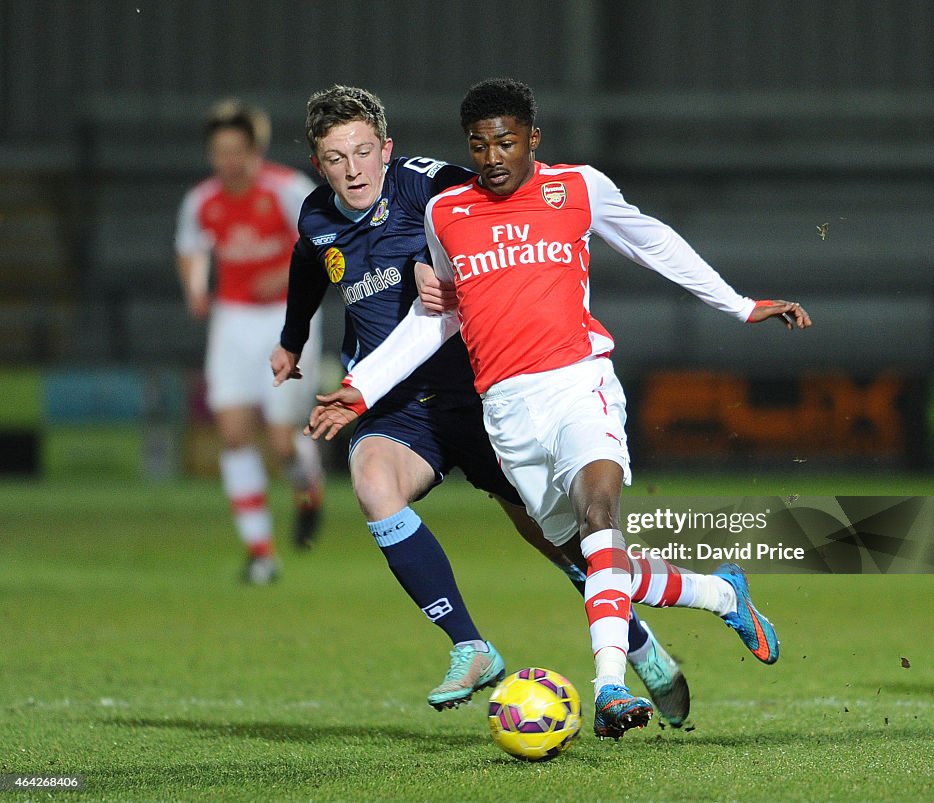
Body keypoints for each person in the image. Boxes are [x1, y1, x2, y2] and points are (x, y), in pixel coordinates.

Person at [308, 78, 813, 739]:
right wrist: (364, 386)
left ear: (532, 140)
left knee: (600, 513)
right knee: (596, 559)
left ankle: (609, 687)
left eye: (506, 142)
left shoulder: (576, 188)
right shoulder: (447, 215)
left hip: (580, 384)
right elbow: (443, 317)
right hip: (508, 413)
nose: (492, 157)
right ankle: (723, 593)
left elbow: (653, 241)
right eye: (480, 145)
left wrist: (741, 305)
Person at [270, 85, 690, 723]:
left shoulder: (427, 184)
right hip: (393, 402)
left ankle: (642, 644)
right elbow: (307, 265)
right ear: (318, 162)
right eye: (335, 158)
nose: (351, 169)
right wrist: (292, 339)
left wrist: (434, 266)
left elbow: (500, 197)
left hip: (478, 388)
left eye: (361, 152)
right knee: (373, 485)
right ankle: (470, 645)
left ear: (386, 150)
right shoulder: (316, 216)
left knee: (561, 540)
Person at [175, 99, 325, 584]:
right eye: (219, 152)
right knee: (234, 434)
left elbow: (324, 245)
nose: (228, 161)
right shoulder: (202, 200)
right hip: (233, 320)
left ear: (255, 150)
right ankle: (262, 554)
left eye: (237, 150)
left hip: (287, 318)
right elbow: (191, 248)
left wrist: (284, 274)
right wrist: (197, 289)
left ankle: (309, 487)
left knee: (281, 442)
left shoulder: (287, 190)